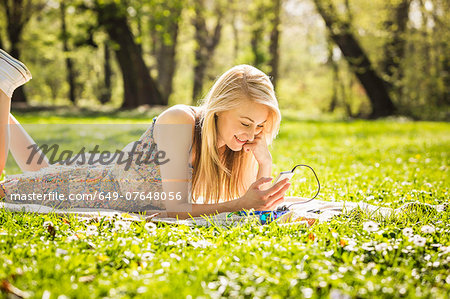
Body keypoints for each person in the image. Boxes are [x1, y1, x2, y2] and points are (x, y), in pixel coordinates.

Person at [0, 49, 291, 219]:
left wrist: (263, 163)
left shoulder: (233, 145)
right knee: (7, 190)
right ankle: (5, 84)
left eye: (260, 126)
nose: (252, 134)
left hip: (104, 179)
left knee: (41, 169)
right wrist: (241, 204)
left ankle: (2, 101)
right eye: (245, 123)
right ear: (219, 109)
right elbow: (176, 207)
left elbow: (252, 206)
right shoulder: (180, 121)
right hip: (91, 187)